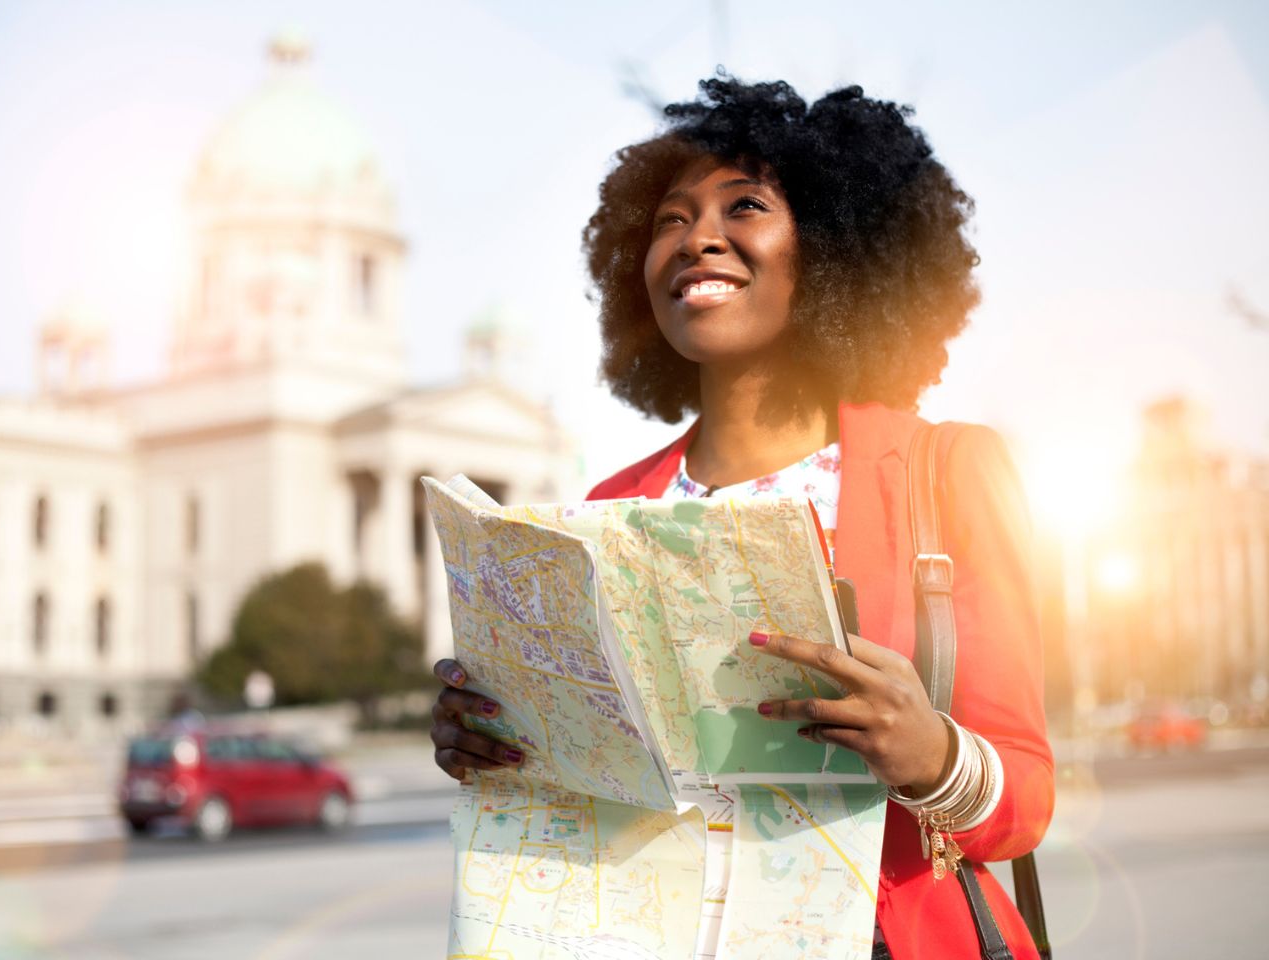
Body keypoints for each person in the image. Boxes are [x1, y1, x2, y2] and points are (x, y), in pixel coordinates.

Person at [429, 76, 1052, 960]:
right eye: (669, 221)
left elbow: (1026, 792)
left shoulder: (945, 471)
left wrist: (933, 756)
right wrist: (493, 736)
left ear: (842, 246)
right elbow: (590, 791)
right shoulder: (602, 511)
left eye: (745, 205)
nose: (697, 239)